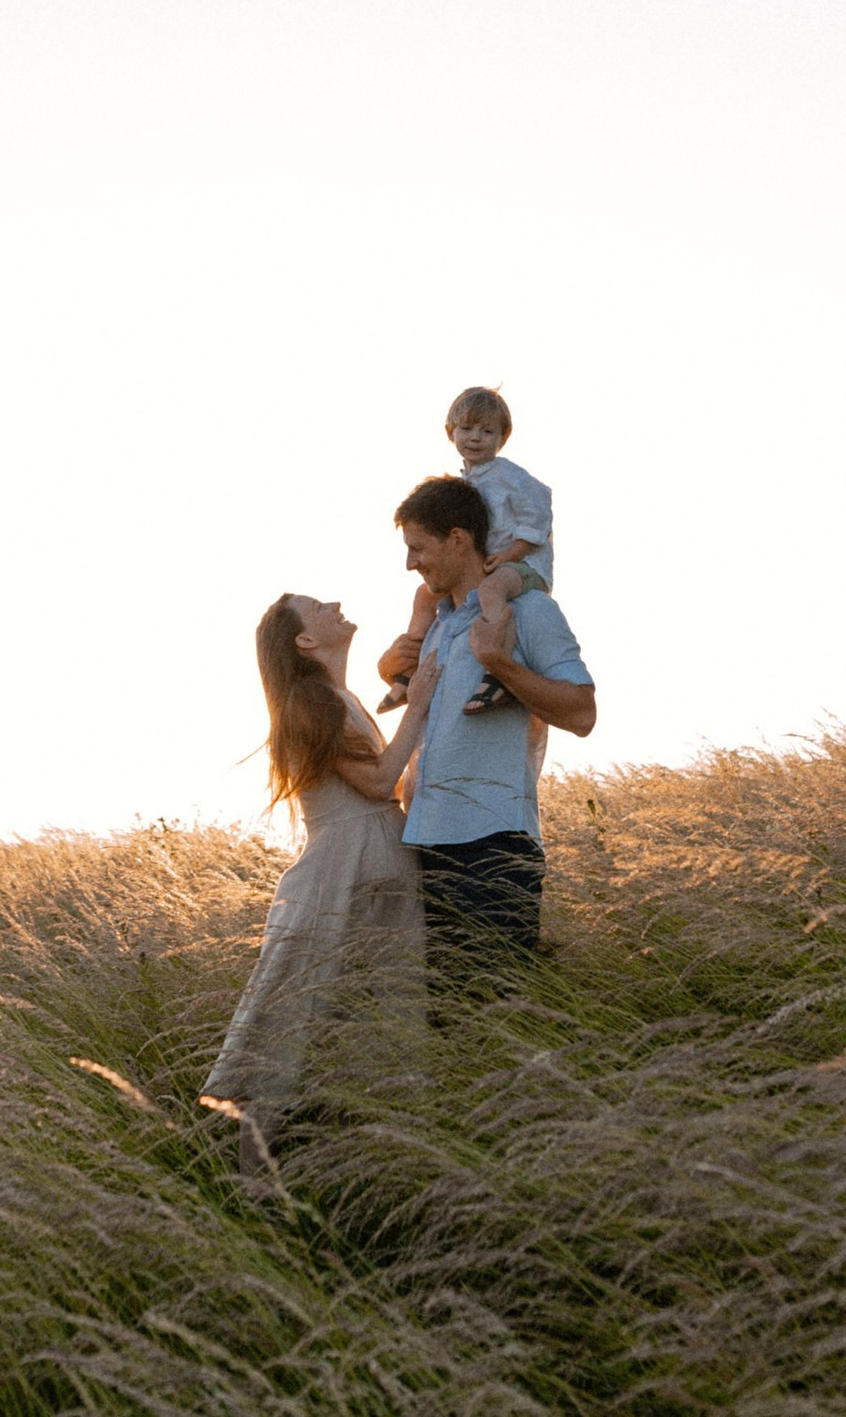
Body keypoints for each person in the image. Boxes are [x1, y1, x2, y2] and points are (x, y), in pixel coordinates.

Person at [200, 594, 444, 1173]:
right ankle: (255, 1182)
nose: (334, 602)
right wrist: (419, 704)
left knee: (376, 1018)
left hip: (375, 866)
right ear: (305, 641)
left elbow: (387, 785)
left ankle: (362, 1160)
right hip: (340, 872)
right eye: (316, 606)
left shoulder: (342, 696)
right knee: (292, 1020)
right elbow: (379, 783)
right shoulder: (310, 700)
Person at [375, 476, 594, 1000]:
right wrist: (389, 668)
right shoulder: (436, 627)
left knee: (493, 1016)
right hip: (425, 845)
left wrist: (499, 663)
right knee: (441, 1020)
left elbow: (583, 713)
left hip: (493, 850)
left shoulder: (529, 611)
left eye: (418, 548)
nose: (410, 563)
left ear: (458, 539)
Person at [378, 386, 555, 715]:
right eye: (467, 428)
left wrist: (511, 554)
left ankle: (500, 669)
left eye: (487, 431)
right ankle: (407, 672)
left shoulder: (512, 478)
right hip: (489, 564)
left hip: (523, 565)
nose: (475, 437)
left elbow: (539, 519)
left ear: (502, 438)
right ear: (451, 431)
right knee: (424, 595)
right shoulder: (465, 482)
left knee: (491, 590)